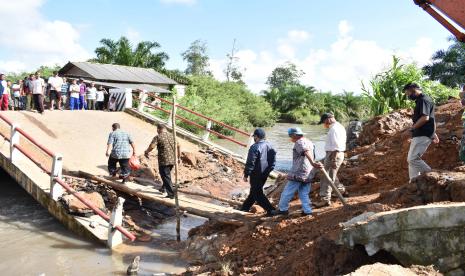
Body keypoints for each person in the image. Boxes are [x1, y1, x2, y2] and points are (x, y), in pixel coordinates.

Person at [273, 127, 322, 216]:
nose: (290, 138)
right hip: (309, 171)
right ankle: (307, 211)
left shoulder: (299, 142)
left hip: (299, 171)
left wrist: (313, 162)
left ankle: (282, 209)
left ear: (295, 135)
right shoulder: (309, 142)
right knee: (304, 192)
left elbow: (306, 151)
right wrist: (313, 164)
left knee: (287, 191)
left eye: (291, 136)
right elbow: (312, 154)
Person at [403, 83, 440, 180]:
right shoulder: (421, 100)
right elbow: (432, 118)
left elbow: (425, 118)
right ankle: (414, 183)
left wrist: (412, 128)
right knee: (412, 160)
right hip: (421, 133)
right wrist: (434, 133)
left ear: (413, 89)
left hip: (422, 134)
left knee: (412, 159)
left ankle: (433, 175)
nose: (408, 96)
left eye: (408, 93)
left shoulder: (423, 100)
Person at [313, 113, 348, 208]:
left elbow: (336, 146)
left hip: (334, 154)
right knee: (332, 175)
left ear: (328, 119)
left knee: (326, 177)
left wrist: (333, 159)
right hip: (335, 154)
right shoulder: (340, 126)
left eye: (324, 122)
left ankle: (325, 200)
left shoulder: (334, 129)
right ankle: (341, 190)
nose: (324, 124)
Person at [240, 128, 276, 216]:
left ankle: (271, 210)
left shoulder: (255, 146)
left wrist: (246, 174)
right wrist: (268, 171)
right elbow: (273, 162)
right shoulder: (270, 146)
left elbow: (250, 162)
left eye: (254, 137)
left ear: (256, 136)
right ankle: (244, 208)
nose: (253, 138)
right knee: (254, 191)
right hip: (265, 174)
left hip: (256, 174)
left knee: (257, 193)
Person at [144, 123, 181, 199]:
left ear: (158, 129)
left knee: (165, 176)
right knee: (167, 175)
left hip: (164, 160)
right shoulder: (172, 136)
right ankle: (163, 188)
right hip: (172, 160)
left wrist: (147, 151)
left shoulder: (158, 137)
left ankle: (171, 194)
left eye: (157, 130)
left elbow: (152, 146)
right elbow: (179, 146)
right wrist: (179, 157)